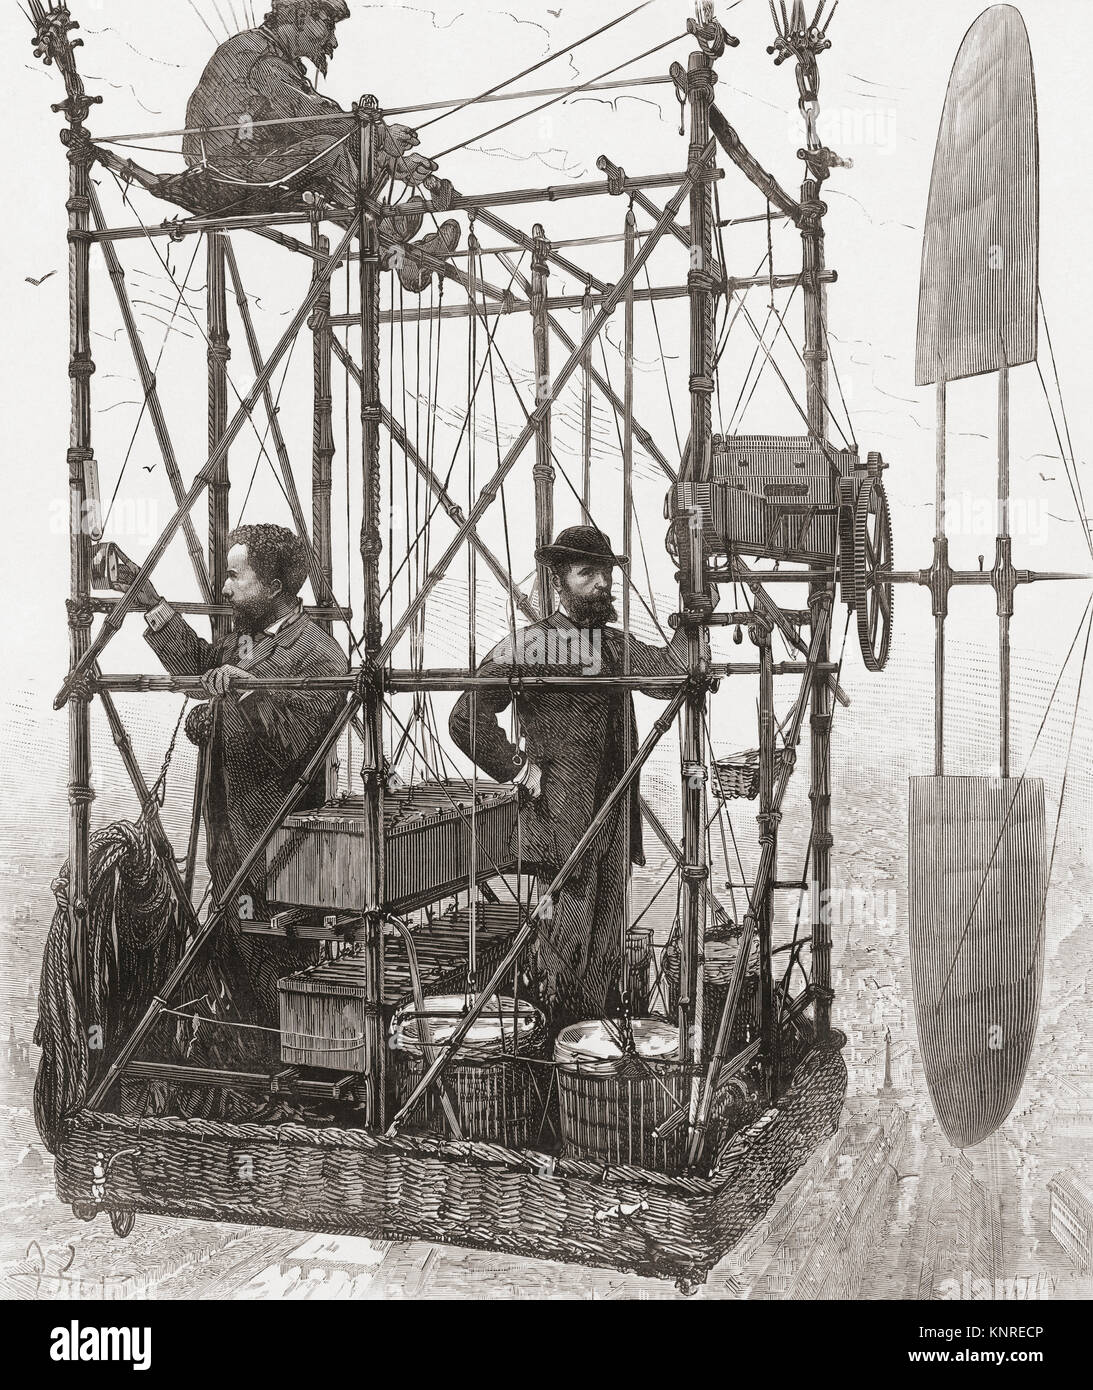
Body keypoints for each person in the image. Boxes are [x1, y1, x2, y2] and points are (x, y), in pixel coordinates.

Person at [449, 525, 691, 1030]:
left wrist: (692, 611)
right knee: (567, 949)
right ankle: (557, 1053)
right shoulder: (528, 646)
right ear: (559, 582)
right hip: (563, 825)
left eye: (606, 573)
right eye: (588, 573)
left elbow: (670, 678)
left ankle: (589, 1055)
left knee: (605, 948)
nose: (603, 583)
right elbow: (466, 719)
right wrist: (519, 768)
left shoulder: (613, 644)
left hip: (614, 823)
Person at [119, 524, 349, 1027]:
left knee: (276, 969)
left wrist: (244, 695)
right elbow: (199, 666)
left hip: (281, 851)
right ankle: (259, 1080)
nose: (224, 589)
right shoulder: (245, 641)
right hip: (231, 844)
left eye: (234, 576)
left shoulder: (320, 655)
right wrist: (150, 602)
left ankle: (290, 1082)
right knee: (235, 961)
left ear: (274, 586)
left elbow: (293, 745)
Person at [183, 0, 459, 292]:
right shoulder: (259, 57)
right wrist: (379, 136)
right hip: (227, 167)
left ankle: (399, 251)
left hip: (249, 156)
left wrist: (391, 162)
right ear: (301, 15)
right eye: (328, 25)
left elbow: (304, 120)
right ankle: (388, 235)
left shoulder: (272, 55)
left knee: (331, 147)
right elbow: (309, 115)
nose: (333, 40)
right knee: (328, 149)